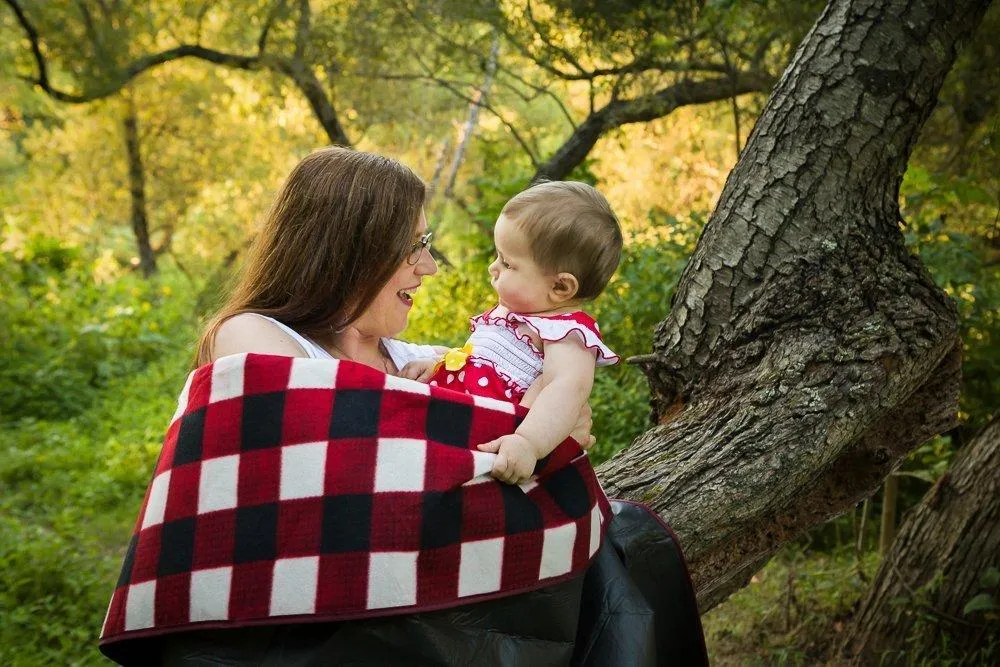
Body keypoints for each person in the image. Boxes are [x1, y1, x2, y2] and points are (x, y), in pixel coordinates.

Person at [400, 181, 622, 484]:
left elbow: (567, 389)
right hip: (453, 420)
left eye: (507, 262)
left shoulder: (568, 333)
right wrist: (441, 364)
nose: (493, 268)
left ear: (560, 287)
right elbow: (481, 361)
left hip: (490, 438)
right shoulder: (515, 316)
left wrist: (529, 442)